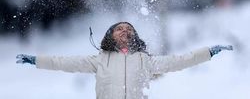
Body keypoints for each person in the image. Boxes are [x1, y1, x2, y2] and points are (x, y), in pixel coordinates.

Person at [16, 22, 233, 99]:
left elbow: (179, 60)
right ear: (110, 35)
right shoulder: (99, 60)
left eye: (129, 29)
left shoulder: (145, 60)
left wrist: (208, 52)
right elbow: (63, 62)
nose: (125, 31)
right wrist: (37, 60)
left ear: (134, 36)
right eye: (119, 28)